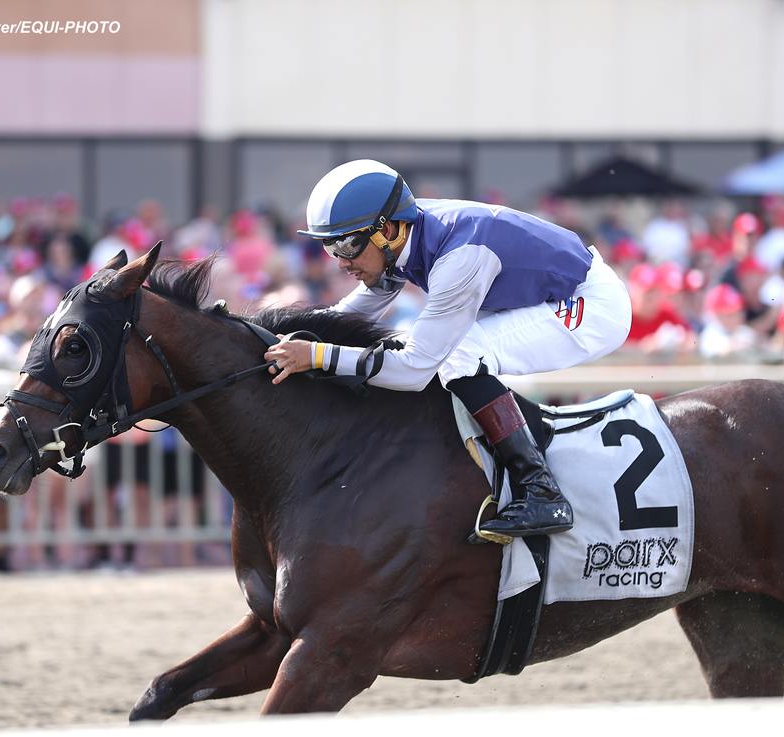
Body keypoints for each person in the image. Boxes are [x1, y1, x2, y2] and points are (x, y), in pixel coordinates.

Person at [263, 160, 631, 538]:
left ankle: (540, 490)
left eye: (346, 244)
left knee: (457, 354)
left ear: (386, 230)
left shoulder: (458, 256)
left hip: (590, 304)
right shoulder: (399, 236)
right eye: (329, 246)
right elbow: (346, 317)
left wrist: (319, 356)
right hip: (545, 293)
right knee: (427, 348)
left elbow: (413, 371)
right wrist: (275, 334)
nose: (341, 262)